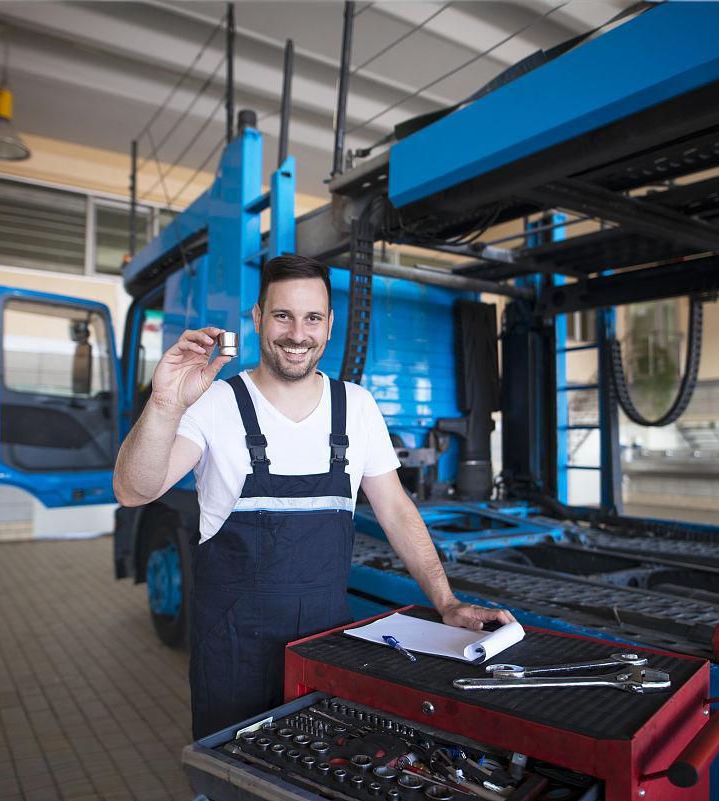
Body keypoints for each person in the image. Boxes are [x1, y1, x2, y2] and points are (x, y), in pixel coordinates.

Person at [114, 253, 516, 739]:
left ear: (329, 324)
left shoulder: (356, 407)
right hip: (234, 652)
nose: (297, 334)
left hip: (326, 647)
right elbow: (133, 491)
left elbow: (395, 509)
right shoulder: (216, 403)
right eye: (282, 315)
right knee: (235, 770)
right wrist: (165, 402)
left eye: (312, 318)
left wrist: (446, 602)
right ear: (258, 318)